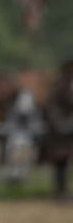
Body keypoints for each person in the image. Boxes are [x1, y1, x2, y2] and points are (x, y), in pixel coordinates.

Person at [44, 58, 73, 202]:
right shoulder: (61, 85)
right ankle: (60, 192)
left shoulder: (66, 84)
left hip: (66, 131)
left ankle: (62, 191)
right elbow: (52, 107)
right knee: (60, 162)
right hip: (59, 133)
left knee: (63, 162)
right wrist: (62, 124)